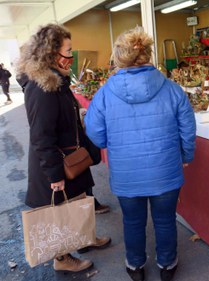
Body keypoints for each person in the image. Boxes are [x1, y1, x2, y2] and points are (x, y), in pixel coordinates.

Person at [84, 27, 196, 281]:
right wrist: (186, 155)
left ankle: (135, 266)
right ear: (146, 54)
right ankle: (167, 264)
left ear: (119, 57)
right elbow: (187, 128)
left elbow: (94, 131)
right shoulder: (171, 88)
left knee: (133, 222)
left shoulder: (104, 94)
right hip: (166, 169)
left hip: (126, 173)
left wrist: (112, 146)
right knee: (165, 220)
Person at [16, 24, 111, 273]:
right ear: (51, 52)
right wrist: (54, 175)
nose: (71, 55)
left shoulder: (56, 80)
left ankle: (85, 237)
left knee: (78, 200)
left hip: (70, 154)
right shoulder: (42, 88)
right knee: (59, 209)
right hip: (57, 162)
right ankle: (62, 258)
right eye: (68, 50)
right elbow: (41, 137)